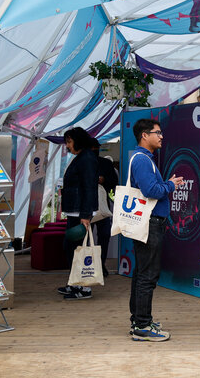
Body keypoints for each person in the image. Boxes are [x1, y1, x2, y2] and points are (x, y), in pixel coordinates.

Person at [128, 119, 185, 342]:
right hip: (150, 223)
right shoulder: (142, 160)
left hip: (148, 222)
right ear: (144, 135)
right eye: (157, 133)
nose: (161, 136)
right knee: (147, 275)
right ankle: (142, 326)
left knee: (142, 272)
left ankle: (139, 321)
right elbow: (150, 190)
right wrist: (170, 185)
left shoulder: (144, 159)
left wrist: (167, 183)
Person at [58, 127, 98, 300]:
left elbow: (89, 186)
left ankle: (84, 288)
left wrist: (85, 214)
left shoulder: (87, 158)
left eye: (69, 141)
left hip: (80, 212)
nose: (67, 146)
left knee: (78, 249)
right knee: (72, 248)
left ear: (78, 140)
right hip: (75, 210)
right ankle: (74, 283)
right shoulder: (81, 157)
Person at [90, 138, 118, 277]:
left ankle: (100, 264)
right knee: (86, 238)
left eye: (96, 148)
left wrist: (104, 180)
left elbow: (114, 182)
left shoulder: (106, 163)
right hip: (86, 207)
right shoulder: (82, 163)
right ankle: (87, 265)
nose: (95, 150)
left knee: (104, 235)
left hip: (102, 205)